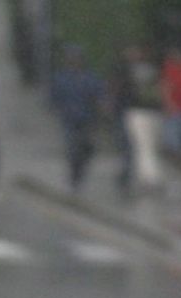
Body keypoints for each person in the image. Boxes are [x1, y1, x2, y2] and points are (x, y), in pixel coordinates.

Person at [49, 44, 105, 192]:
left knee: (86, 149)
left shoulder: (89, 77)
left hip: (87, 118)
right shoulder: (61, 78)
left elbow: (98, 95)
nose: (74, 62)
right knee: (73, 149)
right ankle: (74, 177)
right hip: (69, 119)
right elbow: (54, 97)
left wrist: (100, 110)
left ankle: (79, 172)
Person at [114, 45, 163, 195]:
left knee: (143, 147)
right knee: (147, 146)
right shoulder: (153, 70)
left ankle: (148, 178)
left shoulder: (126, 70)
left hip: (137, 111)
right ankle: (150, 177)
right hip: (148, 111)